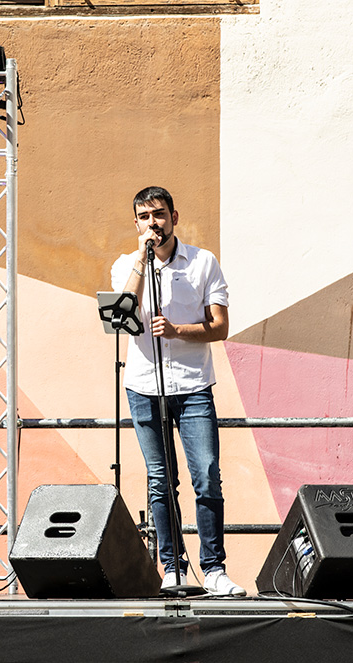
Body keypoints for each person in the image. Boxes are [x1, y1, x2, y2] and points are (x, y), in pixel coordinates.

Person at [110, 186, 245, 596]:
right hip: (144, 386)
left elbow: (220, 327)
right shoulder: (125, 266)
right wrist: (140, 259)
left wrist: (177, 330)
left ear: (175, 216)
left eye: (160, 214)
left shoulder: (204, 262)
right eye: (145, 216)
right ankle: (173, 568)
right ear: (136, 223)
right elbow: (121, 311)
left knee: (206, 474)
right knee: (160, 479)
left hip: (192, 387)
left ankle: (215, 569)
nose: (154, 222)